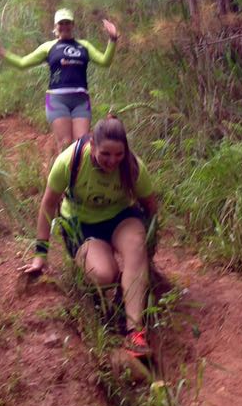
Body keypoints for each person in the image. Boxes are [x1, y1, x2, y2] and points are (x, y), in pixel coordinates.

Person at [23, 114, 158, 359]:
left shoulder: (132, 166)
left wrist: (147, 251)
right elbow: (48, 204)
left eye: (118, 154)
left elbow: (150, 206)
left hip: (121, 218)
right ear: (92, 144)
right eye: (105, 154)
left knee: (135, 246)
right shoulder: (70, 161)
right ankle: (118, 289)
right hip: (81, 225)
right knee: (103, 274)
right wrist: (40, 254)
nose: (112, 161)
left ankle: (135, 331)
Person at [0, 8, 118, 153]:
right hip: (57, 100)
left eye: (67, 22)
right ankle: (61, 168)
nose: (64, 26)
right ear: (55, 26)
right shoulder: (48, 47)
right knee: (65, 144)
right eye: (61, 23)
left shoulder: (84, 46)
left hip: (81, 101)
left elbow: (105, 62)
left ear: (73, 25)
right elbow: (22, 63)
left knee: (82, 145)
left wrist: (112, 40)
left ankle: (77, 168)